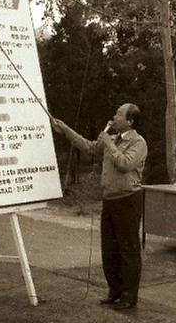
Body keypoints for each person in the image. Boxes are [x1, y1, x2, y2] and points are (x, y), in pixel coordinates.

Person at [52, 103, 148, 310]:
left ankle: (129, 295)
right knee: (110, 248)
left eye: (118, 114)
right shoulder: (111, 139)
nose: (113, 117)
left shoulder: (139, 142)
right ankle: (115, 290)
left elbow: (124, 164)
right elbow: (89, 147)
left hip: (128, 200)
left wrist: (109, 143)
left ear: (130, 121)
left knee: (128, 249)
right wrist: (66, 129)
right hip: (110, 199)